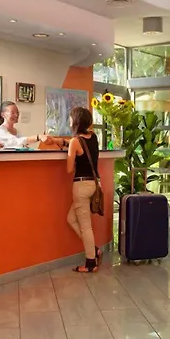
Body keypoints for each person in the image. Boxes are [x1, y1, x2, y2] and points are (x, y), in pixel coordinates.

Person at [66, 107, 103, 273]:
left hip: (80, 186)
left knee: (86, 227)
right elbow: (85, 149)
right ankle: (94, 250)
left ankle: (90, 263)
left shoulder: (75, 142)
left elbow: (69, 169)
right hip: (93, 184)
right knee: (70, 219)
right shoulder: (93, 136)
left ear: (75, 122)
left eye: (70, 118)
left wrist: (71, 153)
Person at [0, 101, 65, 148]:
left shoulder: (17, 131)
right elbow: (16, 142)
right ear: (3, 115)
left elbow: (23, 145)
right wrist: (38, 137)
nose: (16, 115)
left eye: (17, 112)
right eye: (13, 113)